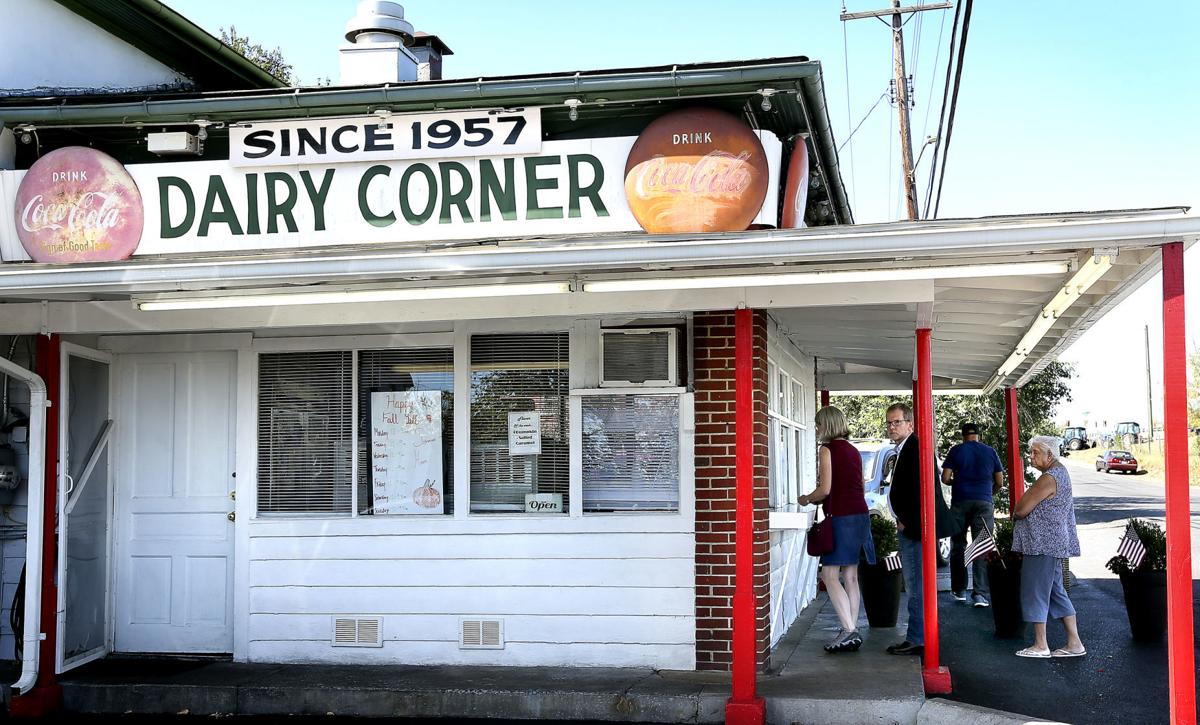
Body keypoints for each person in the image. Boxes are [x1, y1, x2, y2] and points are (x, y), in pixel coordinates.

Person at [798, 405, 875, 653]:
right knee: (850, 576)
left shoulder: (827, 449)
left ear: (827, 425)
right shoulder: (853, 450)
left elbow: (825, 489)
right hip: (860, 515)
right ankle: (850, 629)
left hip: (841, 517)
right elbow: (859, 485)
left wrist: (806, 499)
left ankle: (849, 630)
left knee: (829, 575)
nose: (817, 429)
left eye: (818, 424)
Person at [883, 402, 953, 656]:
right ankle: (918, 636)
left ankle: (917, 638)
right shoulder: (905, 448)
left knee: (916, 585)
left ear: (910, 424)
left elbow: (922, 490)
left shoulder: (914, 448)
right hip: (911, 526)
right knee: (915, 584)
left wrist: (908, 521)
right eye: (889, 423)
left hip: (914, 529)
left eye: (897, 422)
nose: (892, 427)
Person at [1011, 435, 1085, 658]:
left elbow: (1021, 509)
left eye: (1035, 452)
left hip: (1041, 543)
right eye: (1030, 452)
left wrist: (1016, 512)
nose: (1030, 456)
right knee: (1055, 592)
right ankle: (1075, 643)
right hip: (1052, 543)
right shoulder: (1060, 473)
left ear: (1050, 455)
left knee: (1035, 590)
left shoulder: (1049, 478)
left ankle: (1040, 645)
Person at [941, 422, 1004, 607]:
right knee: (981, 545)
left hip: (960, 502)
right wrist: (988, 493)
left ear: (963, 436)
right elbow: (1000, 481)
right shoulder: (990, 452)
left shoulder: (956, 450)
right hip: (984, 502)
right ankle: (980, 595)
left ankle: (959, 590)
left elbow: (945, 478)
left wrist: (957, 483)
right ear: (978, 435)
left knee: (958, 544)